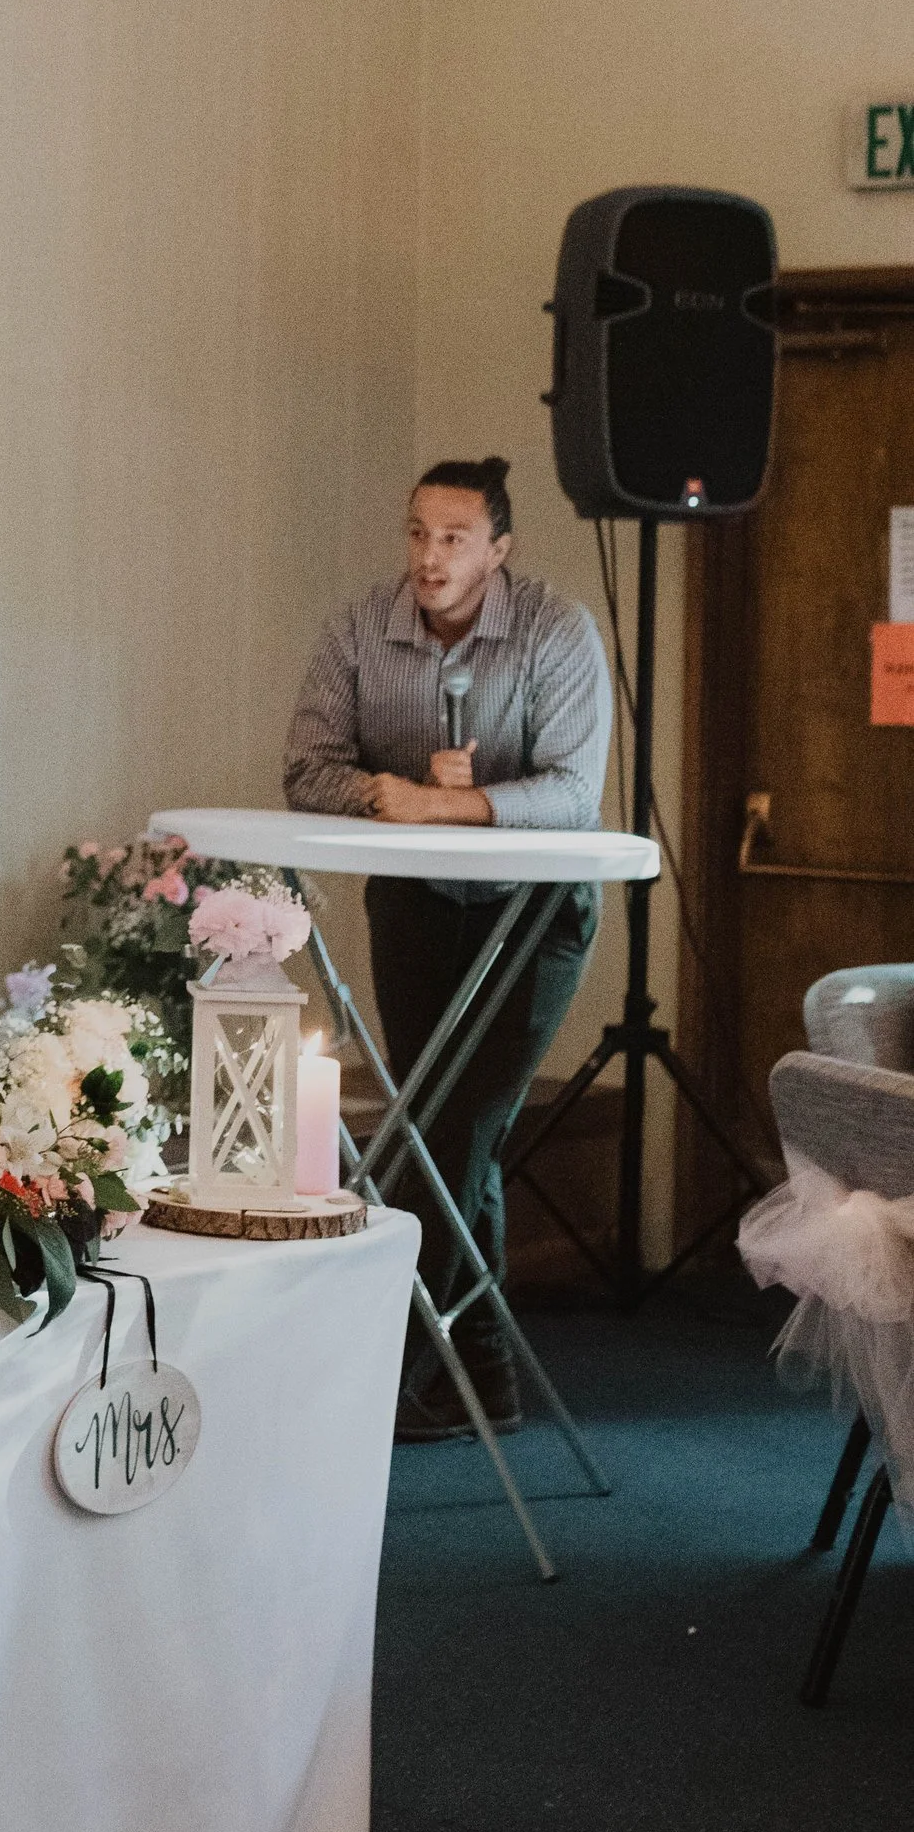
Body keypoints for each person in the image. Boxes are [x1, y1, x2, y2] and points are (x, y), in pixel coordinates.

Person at [282, 458, 611, 1440]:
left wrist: (453, 805)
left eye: (454, 539)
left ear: (498, 549)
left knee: (458, 1126)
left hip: (535, 912)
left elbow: (572, 794)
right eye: (418, 534)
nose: (429, 557)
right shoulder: (359, 628)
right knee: (439, 1126)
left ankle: (387, 1362)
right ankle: (483, 1380)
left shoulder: (556, 631)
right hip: (417, 907)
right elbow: (307, 770)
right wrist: (389, 795)